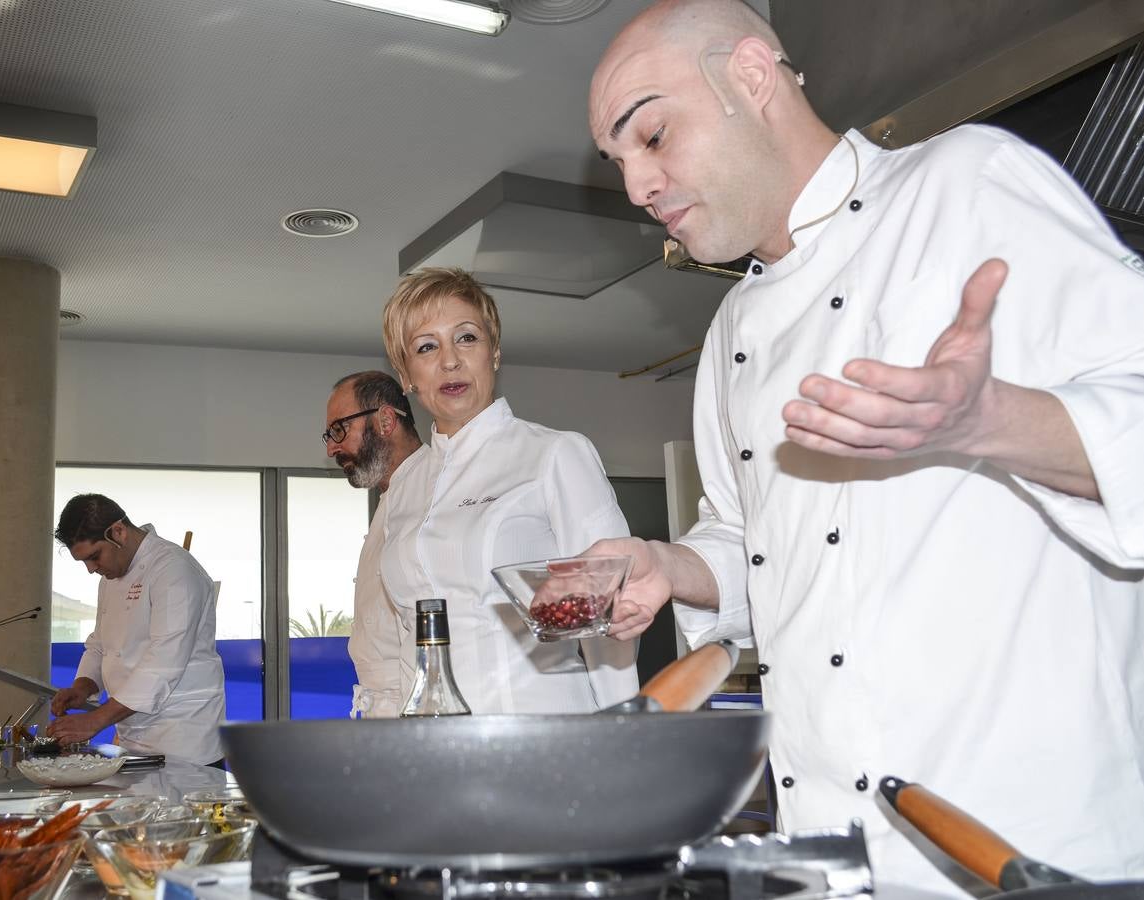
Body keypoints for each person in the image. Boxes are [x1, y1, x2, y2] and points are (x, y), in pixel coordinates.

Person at [585, 0, 1144, 890]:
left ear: (752, 78)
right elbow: (755, 546)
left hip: (1029, 840)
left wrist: (987, 421)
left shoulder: (964, 185)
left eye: (650, 134)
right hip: (830, 854)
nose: (636, 185)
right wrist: (666, 565)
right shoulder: (731, 327)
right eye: (618, 162)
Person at [377, 267, 638, 714]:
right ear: (406, 375)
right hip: (432, 747)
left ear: (494, 353)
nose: (450, 361)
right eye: (426, 347)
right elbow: (407, 640)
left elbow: (608, 624)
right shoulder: (403, 487)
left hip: (545, 735)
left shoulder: (554, 454)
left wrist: (624, 735)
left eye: (466, 338)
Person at [48, 493, 227, 766]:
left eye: (94, 557)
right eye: (84, 561)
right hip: (132, 737)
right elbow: (100, 645)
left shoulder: (174, 569)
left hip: (183, 739)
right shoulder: (110, 576)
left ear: (118, 532)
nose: (90, 569)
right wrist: (83, 686)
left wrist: (95, 720)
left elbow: (164, 661)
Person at [324, 370, 425, 718]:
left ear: (385, 420)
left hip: (416, 712)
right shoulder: (390, 496)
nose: (331, 447)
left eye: (339, 430)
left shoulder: (436, 490)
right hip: (384, 712)